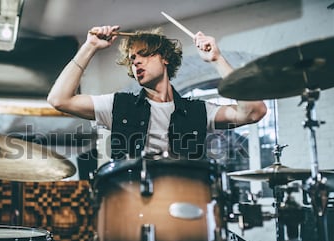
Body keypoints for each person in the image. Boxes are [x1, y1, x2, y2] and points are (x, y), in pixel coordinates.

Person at [47, 25, 267, 160]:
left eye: (144, 55)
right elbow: (59, 99)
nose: (137, 62)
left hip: (186, 204)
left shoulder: (198, 111)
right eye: (132, 59)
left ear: (165, 58)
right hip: (130, 205)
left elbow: (253, 112)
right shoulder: (118, 105)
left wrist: (217, 59)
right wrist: (90, 47)